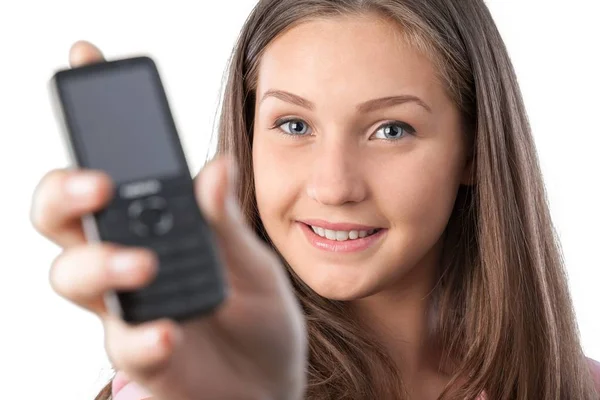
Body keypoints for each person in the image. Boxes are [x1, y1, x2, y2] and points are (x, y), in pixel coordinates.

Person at [31, 0, 600, 399]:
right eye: (295, 125)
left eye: (391, 130)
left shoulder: (578, 387)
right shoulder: (186, 387)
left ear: (474, 152)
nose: (333, 187)